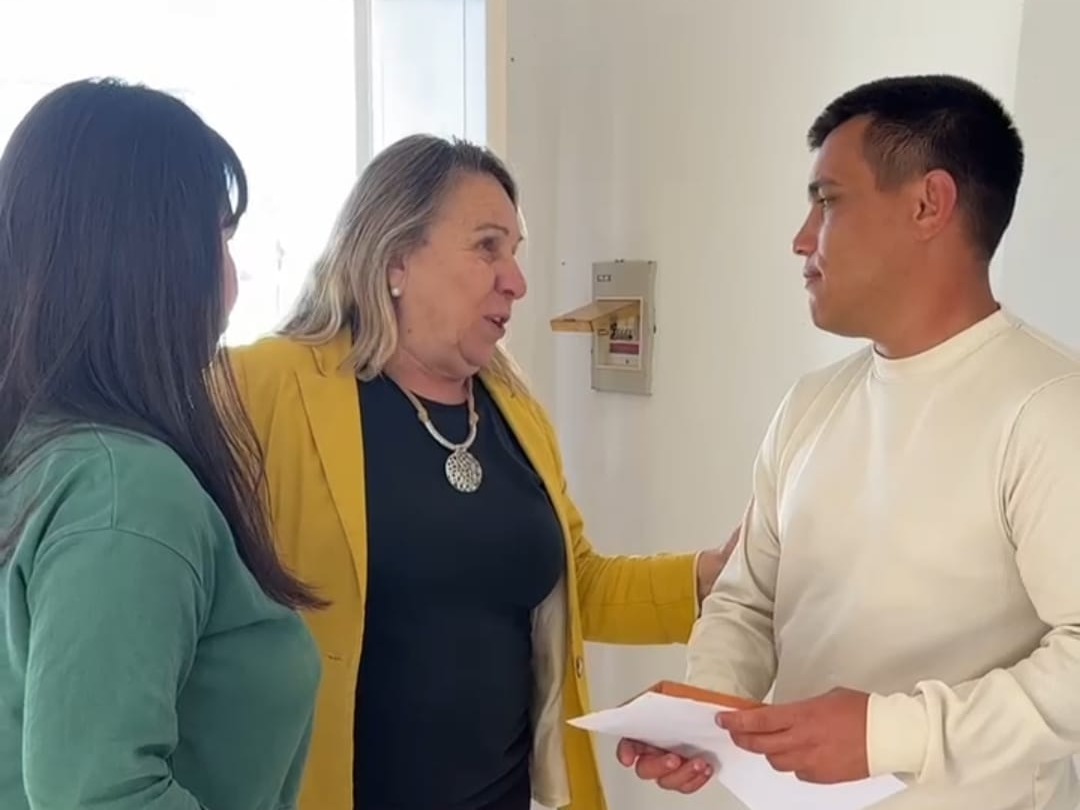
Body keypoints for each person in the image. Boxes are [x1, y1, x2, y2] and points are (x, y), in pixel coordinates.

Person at [228, 133, 736, 810]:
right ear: (395, 255)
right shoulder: (263, 388)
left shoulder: (514, 410)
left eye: (515, 253)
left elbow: (572, 584)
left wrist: (708, 577)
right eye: (487, 247)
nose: (517, 281)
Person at [620, 74, 1080, 809]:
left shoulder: (1050, 408)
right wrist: (706, 714)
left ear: (928, 204)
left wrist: (889, 734)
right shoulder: (810, 404)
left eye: (827, 201)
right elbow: (747, 601)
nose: (802, 239)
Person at [0, 79, 322, 809]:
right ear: (153, 256)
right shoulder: (125, 489)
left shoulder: (42, 458)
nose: (233, 277)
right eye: (220, 237)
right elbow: (101, 795)